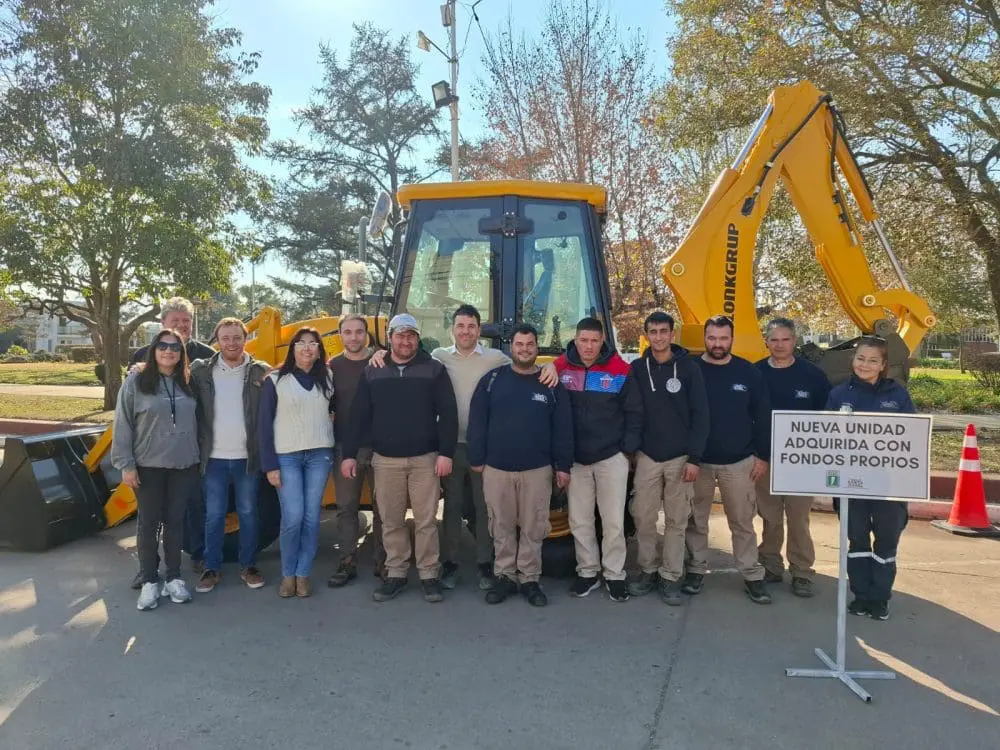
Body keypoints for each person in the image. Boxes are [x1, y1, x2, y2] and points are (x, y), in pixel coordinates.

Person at [341, 313, 458, 604]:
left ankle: (429, 575)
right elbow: (358, 415)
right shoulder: (373, 370)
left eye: (411, 336)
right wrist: (349, 455)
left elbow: (448, 414)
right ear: (390, 338)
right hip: (385, 461)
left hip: (425, 460)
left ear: (418, 339)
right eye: (400, 335)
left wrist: (446, 453)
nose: (406, 341)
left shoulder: (434, 369)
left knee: (426, 522)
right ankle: (396, 573)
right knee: (391, 520)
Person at [467, 324, 574, 607]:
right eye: (519, 344)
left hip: (537, 470)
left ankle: (529, 579)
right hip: (497, 469)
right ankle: (504, 576)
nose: (524, 349)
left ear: (536, 347)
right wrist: (477, 458)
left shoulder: (550, 384)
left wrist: (563, 467)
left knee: (533, 527)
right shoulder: (492, 380)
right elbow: (477, 421)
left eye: (529, 344)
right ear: (511, 347)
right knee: (500, 525)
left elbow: (563, 428)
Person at [546, 317, 642, 602]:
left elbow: (635, 412)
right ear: (575, 340)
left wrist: (627, 450)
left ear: (603, 342)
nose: (588, 346)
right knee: (579, 521)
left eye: (594, 341)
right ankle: (587, 572)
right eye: (583, 340)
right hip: (576, 460)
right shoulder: (561, 369)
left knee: (613, 522)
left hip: (611, 457)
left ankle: (614, 575)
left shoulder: (621, 370)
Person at [826, 335, 915, 621]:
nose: (865, 365)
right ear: (853, 360)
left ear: (883, 364)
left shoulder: (897, 395)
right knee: (858, 542)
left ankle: (880, 599)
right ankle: (861, 596)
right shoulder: (839, 394)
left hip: (890, 486)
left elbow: (911, 438)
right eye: (861, 358)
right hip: (852, 484)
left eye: (873, 360)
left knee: (886, 544)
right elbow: (825, 438)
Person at [128, 296, 214, 589]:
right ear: (163, 323)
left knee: (193, 507)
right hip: (151, 454)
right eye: (175, 320)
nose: (181, 325)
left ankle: (197, 556)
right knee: (150, 518)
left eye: (186, 320)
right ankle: (148, 570)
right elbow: (129, 410)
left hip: (188, 452)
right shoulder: (142, 358)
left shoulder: (206, 355)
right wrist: (126, 462)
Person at [686, 315, 772, 604]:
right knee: (696, 520)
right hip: (698, 462)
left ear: (732, 339)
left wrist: (762, 455)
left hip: (739, 461)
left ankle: (752, 574)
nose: (717, 344)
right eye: (712, 338)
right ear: (704, 338)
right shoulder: (691, 370)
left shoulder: (748, 372)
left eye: (723, 338)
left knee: (742, 521)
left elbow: (762, 416)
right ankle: (696, 569)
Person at [111, 329, 200, 611]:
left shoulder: (190, 381)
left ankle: (174, 577)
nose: (168, 351)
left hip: (184, 465)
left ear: (182, 353)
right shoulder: (136, 381)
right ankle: (150, 579)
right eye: (162, 346)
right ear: (153, 349)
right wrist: (126, 464)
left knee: (175, 523)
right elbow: (122, 423)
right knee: (148, 524)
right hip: (148, 466)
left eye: (175, 347)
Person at [628, 311, 710, 605]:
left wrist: (694, 458)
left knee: (677, 520)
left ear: (672, 334)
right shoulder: (638, 369)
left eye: (664, 331)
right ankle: (648, 570)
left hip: (680, 457)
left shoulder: (689, 369)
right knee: (643, 517)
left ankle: (670, 576)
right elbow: (633, 411)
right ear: (646, 336)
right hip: (647, 456)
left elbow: (701, 415)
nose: (659, 337)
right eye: (653, 331)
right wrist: (632, 450)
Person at [190, 318, 270, 594]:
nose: (231, 343)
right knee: (214, 514)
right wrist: (140, 368)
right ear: (217, 341)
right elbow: (170, 374)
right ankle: (211, 567)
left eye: (237, 337)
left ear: (246, 339)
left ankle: (248, 566)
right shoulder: (200, 371)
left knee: (248, 512)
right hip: (213, 458)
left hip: (247, 458)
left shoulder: (261, 371)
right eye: (225, 338)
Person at [754, 318, 831, 598]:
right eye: (774, 339)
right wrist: (757, 454)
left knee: (798, 518)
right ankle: (770, 565)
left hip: (800, 462)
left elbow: (826, 418)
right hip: (765, 460)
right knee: (769, 516)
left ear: (794, 341)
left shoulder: (813, 376)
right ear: (766, 342)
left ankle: (801, 571)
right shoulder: (755, 373)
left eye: (785, 339)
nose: (779, 345)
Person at [258, 327, 335, 598]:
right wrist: (270, 465)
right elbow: (264, 425)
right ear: (292, 349)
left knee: (312, 517)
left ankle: (303, 575)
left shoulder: (329, 378)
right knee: (293, 516)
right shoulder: (275, 380)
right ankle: (287, 574)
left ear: (319, 350)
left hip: (319, 455)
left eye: (313, 343)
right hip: (286, 457)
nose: (307, 348)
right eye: (301, 343)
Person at [327, 314, 385, 587]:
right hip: (345, 446)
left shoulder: (381, 361)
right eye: (348, 332)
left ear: (367, 334)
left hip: (380, 445)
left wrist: (382, 352)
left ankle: (384, 561)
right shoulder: (332, 367)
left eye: (359, 332)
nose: (353, 337)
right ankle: (346, 561)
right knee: (346, 507)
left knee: (383, 507)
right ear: (340, 335)